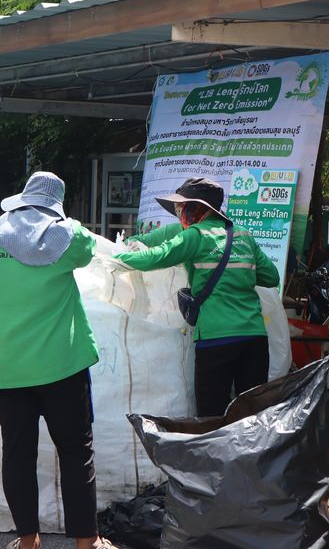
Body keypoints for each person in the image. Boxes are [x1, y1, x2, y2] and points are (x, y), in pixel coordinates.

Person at [0, 172, 117, 549]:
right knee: (76, 453)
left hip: (8, 370)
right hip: (62, 368)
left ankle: (28, 540)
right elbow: (87, 248)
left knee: (17, 455)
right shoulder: (68, 239)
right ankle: (88, 543)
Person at [115, 177, 280, 417]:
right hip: (254, 339)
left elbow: (156, 257)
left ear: (196, 208)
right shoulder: (243, 235)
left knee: (211, 416)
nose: (179, 213)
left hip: (216, 340)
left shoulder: (196, 235)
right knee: (253, 417)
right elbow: (271, 277)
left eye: (181, 207)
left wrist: (115, 258)